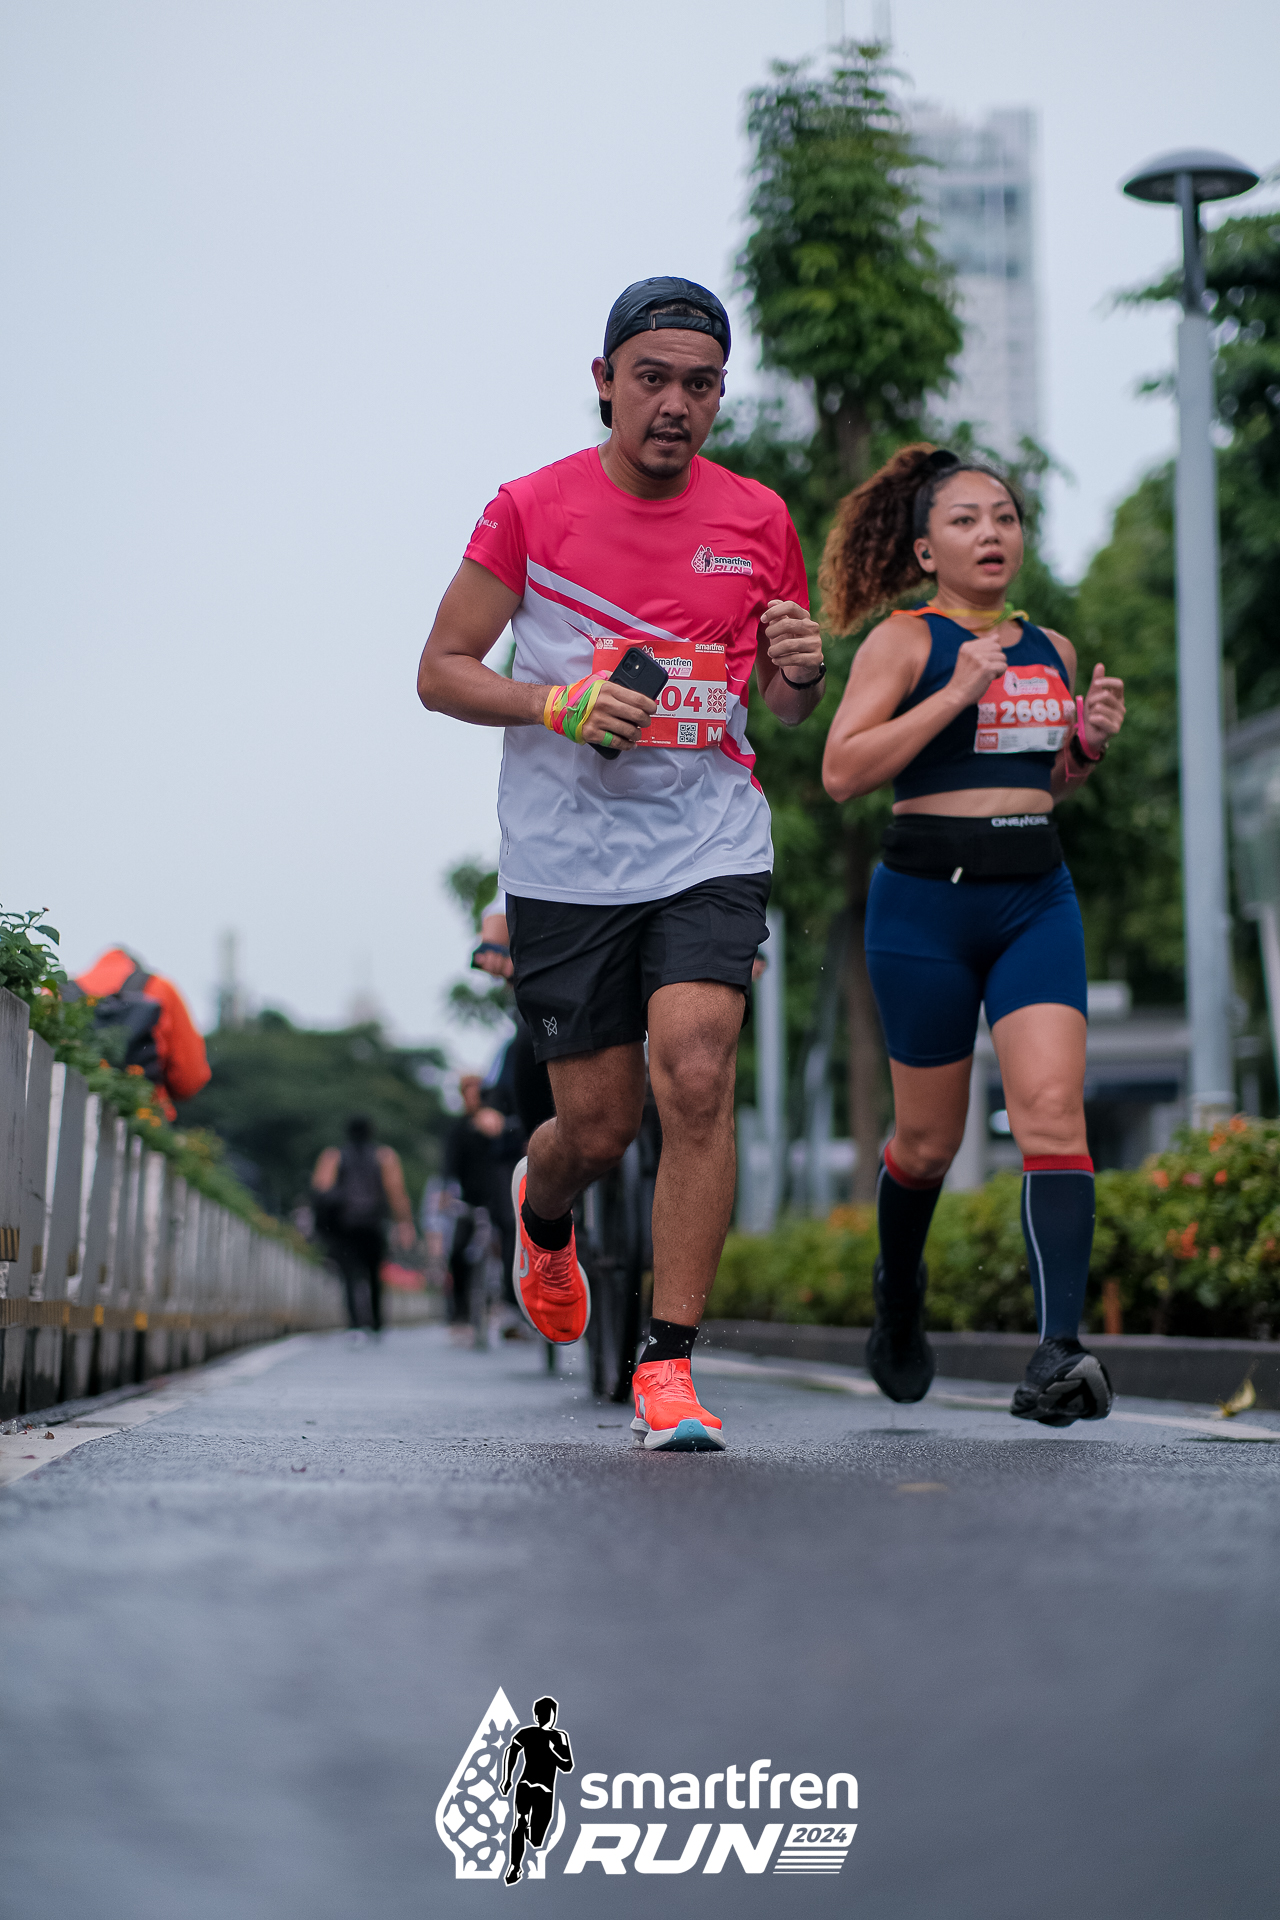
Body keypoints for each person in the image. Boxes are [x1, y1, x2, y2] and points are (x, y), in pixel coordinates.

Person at [417, 276, 825, 1450]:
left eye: (699, 385)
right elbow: (441, 669)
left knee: (694, 1075)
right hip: (566, 859)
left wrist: (799, 668)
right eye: (650, 379)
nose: (674, 405)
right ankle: (540, 1214)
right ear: (604, 383)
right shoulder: (528, 511)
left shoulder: (757, 520)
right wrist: (552, 702)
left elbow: (783, 708)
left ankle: (669, 1365)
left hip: (708, 840)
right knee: (595, 1129)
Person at [820, 444, 1127, 1427]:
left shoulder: (1052, 649)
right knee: (925, 1143)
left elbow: (1041, 780)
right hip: (924, 908)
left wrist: (1085, 745)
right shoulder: (903, 643)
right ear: (924, 551)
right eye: (964, 520)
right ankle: (897, 1294)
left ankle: (1056, 1355)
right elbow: (841, 770)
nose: (990, 533)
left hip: (1033, 898)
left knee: (1053, 1116)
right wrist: (955, 691)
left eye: (1003, 517)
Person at [70, 947, 211, 1120]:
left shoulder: (59, 992)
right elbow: (189, 1081)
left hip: (71, 1112)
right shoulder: (160, 988)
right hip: (143, 1118)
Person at [312, 1116, 415, 1332]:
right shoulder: (384, 1156)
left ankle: (355, 1324)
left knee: (349, 1274)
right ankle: (376, 1323)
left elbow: (320, 1188)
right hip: (373, 1224)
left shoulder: (334, 1156)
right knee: (374, 1274)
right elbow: (396, 1192)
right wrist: (405, 1223)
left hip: (346, 1225)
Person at [442, 1073, 514, 1336]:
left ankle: (511, 1307)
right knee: (458, 1252)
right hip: (469, 1200)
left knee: (511, 1244)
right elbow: (449, 1164)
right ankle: (460, 1313)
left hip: (499, 1197)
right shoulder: (458, 1128)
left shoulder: (500, 1123)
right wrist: (446, 1193)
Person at [499, 1695, 573, 1886]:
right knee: (520, 1821)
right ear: (536, 1715)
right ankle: (515, 1866)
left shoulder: (559, 1736)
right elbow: (511, 1751)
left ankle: (528, 1835)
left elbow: (567, 1765)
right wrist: (507, 1778)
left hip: (545, 1791)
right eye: (540, 1713)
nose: (543, 1716)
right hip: (526, 1785)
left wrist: (551, 1751)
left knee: (536, 1838)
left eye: (547, 1713)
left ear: (553, 1714)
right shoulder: (527, 1733)